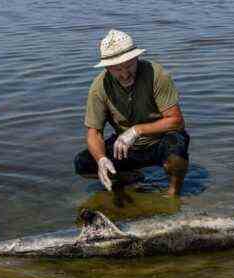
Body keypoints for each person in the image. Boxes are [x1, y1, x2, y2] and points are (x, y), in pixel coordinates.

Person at [74, 29, 190, 200]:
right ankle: (129, 178)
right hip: (125, 147)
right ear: (107, 68)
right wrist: (100, 159)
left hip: (160, 141)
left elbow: (177, 121)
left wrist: (136, 130)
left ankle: (173, 194)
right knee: (82, 163)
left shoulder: (156, 74)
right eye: (117, 69)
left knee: (177, 155)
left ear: (136, 58)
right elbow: (94, 132)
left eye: (129, 66)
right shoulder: (99, 88)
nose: (125, 74)